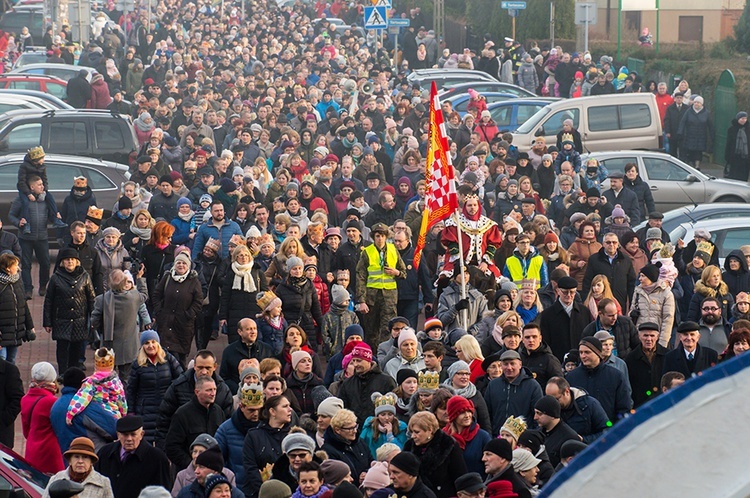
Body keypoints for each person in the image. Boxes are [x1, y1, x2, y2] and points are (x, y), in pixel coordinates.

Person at [156, 350, 234, 449]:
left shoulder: (223, 390)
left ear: (215, 367)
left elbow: (229, 424)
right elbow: (164, 420)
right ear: (194, 366)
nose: (204, 372)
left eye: (208, 368)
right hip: (184, 452)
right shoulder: (178, 387)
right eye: (200, 368)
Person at [125, 331, 184, 443]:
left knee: (165, 440)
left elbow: (181, 379)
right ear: (142, 346)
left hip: (166, 407)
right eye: (147, 343)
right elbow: (131, 390)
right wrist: (131, 411)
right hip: (145, 410)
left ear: (158, 343)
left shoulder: (169, 359)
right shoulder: (137, 364)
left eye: (153, 342)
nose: (150, 345)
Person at [95, 415, 172, 498]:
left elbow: (162, 492)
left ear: (141, 434)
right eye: (125, 435)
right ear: (118, 435)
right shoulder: (105, 453)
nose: (129, 439)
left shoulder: (157, 458)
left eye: (133, 434)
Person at [356, 223, 406, 346]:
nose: (380, 239)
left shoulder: (393, 250)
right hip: (371, 297)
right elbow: (360, 276)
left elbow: (404, 272)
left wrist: (396, 272)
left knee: (388, 329)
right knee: (371, 330)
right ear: (374, 237)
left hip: (389, 297)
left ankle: (385, 356)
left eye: (383, 236)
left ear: (386, 236)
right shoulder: (367, 252)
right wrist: (362, 300)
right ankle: (372, 359)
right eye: (377, 236)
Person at [152, 251, 204, 366]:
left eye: (184, 263)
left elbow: (198, 300)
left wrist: (189, 314)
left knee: (180, 358)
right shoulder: (167, 278)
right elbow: (156, 294)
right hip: (166, 322)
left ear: (188, 266)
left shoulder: (194, 281)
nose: (181, 265)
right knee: (165, 354)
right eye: (178, 263)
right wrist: (159, 311)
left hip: (183, 324)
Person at [165, 376, 227, 470]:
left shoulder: (218, 412)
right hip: (189, 473)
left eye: (214, 389)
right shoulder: (182, 414)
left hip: (214, 470)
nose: (213, 393)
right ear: (197, 392)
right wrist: (192, 465)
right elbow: (172, 447)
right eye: (209, 390)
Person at [50, 367, 117, 453]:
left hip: (68, 456)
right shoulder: (82, 405)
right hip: (91, 456)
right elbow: (112, 429)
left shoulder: (56, 406)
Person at [566, 337, 633, 423]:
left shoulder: (616, 376)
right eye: (581, 352)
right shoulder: (571, 377)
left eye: (587, 352)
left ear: (598, 353)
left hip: (608, 429)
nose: (583, 356)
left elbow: (624, 407)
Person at [9, 174, 53, 299]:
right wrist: (18, 222)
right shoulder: (21, 200)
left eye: (42, 184)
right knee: (26, 264)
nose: (42, 187)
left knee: (45, 263)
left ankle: (43, 285)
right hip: (25, 238)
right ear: (32, 187)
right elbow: (11, 215)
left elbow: (51, 215)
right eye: (39, 185)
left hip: (42, 237)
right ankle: (28, 289)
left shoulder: (46, 199)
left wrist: (55, 217)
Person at [242, 395, 293, 498]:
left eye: (289, 406)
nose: (290, 409)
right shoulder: (254, 436)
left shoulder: (293, 436)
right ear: (272, 412)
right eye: (285, 406)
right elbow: (250, 467)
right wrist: (264, 491)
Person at [216, 384, 264, 490]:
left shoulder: (266, 427)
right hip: (237, 488)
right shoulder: (226, 430)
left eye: (258, 409)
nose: (256, 414)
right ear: (241, 406)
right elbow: (217, 462)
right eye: (251, 410)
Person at [484, 350, 543, 437]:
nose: (509, 367)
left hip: (522, 439)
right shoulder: (493, 385)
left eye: (512, 363)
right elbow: (487, 414)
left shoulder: (532, 386)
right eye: (505, 364)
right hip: (498, 437)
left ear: (520, 365)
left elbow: (538, 416)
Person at [220, 246, 269, 345]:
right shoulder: (230, 273)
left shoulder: (258, 272)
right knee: (236, 344)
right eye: (241, 255)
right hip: (234, 314)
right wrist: (223, 316)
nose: (244, 258)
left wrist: (267, 312)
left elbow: (265, 294)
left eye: (246, 255)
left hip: (255, 313)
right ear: (236, 257)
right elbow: (225, 296)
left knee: (254, 343)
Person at [338, 343, 396, 425]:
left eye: (359, 360)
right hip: (355, 431)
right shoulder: (347, 384)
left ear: (368, 360)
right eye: (353, 361)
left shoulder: (386, 381)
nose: (355, 364)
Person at [21, 362, 64, 473]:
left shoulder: (25, 399)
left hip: (31, 450)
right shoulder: (52, 401)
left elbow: (26, 431)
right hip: (51, 453)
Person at [539, 276, 592, 361]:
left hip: (581, 360)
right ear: (558, 291)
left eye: (572, 292)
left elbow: (589, 336)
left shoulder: (584, 312)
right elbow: (545, 341)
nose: (569, 295)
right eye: (565, 292)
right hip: (557, 360)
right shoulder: (547, 315)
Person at [42, 437, 115, 498]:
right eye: (76, 457)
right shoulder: (57, 479)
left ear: (91, 462)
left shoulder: (103, 482)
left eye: (85, 457)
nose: (80, 461)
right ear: (70, 460)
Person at [544, 376, 609, 443]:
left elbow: (607, 430)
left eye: (556, 399)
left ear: (567, 392)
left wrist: (583, 440)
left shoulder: (591, 404)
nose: (553, 404)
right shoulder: (549, 409)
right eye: (549, 400)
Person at [277, 257, 324, 349]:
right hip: (291, 326)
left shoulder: (309, 285)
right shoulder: (281, 288)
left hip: (308, 325)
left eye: (300, 268)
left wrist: (322, 326)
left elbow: (316, 309)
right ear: (289, 270)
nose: (297, 271)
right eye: (294, 269)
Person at [220, 318, 274, 395]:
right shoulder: (229, 351)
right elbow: (224, 377)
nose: (253, 332)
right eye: (248, 329)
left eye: (255, 329)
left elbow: (272, 373)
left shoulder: (267, 349)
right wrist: (240, 389)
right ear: (240, 332)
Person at [443, 396, 492, 478]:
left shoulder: (483, 436)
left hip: (477, 486)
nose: (467, 415)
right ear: (453, 416)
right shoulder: (445, 436)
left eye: (469, 411)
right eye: (462, 413)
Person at [625, 322, 669, 408]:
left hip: (663, 402)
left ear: (657, 336)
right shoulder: (631, 358)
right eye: (645, 335)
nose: (649, 339)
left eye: (652, 336)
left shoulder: (667, 355)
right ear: (639, 336)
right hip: (640, 405)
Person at [0, 253, 35, 364]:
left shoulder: (17, 281)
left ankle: (9, 381)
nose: (18, 268)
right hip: (2, 334)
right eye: (15, 265)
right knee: (2, 360)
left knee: (11, 360)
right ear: (7, 268)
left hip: (15, 332)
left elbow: (23, 305)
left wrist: (30, 326)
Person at [322, 408, 373, 480]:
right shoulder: (328, 450)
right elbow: (335, 476)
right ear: (337, 430)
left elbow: (371, 461)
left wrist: (367, 473)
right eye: (350, 429)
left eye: (355, 426)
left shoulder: (360, 442)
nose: (355, 431)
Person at [532, 396, 579, 468]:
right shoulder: (538, 433)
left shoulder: (569, 437)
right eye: (535, 413)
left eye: (539, 413)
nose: (535, 417)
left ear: (552, 416)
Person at [518, 323, 564, 391]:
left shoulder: (550, 360)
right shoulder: (518, 358)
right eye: (527, 337)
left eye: (534, 337)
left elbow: (559, 385)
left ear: (540, 338)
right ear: (522, 339)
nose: (531, 340)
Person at [677, 95, 713, 169]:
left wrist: (711, 136)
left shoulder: (706, 113)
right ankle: (690, 165)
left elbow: (710, 125)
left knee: (698, 152)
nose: (696, 104)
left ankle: (697, 165)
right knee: (690, 150)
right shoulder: (689, 111)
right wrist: (680, 132)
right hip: (690, 135)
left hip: (701, 136)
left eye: (698, 103)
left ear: (702, 104)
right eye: (695, 102)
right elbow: (683, 122)